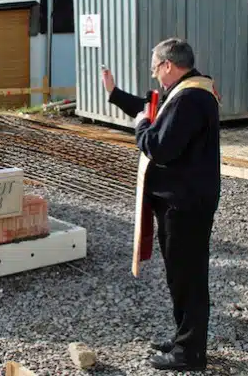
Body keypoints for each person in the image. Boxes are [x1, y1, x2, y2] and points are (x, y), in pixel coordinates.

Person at [102, 38, 220, 371]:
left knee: (188, 278)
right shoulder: (187, 91)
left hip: (185, 205)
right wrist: (114, 94)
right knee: (180, 275)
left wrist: (140, 127)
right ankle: (185, 336)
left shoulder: (190, 98)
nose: (155, 76)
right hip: (181, 202)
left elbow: (159, 145)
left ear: (168, 65)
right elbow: (151, 107)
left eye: (155, 68)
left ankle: (190, 353)